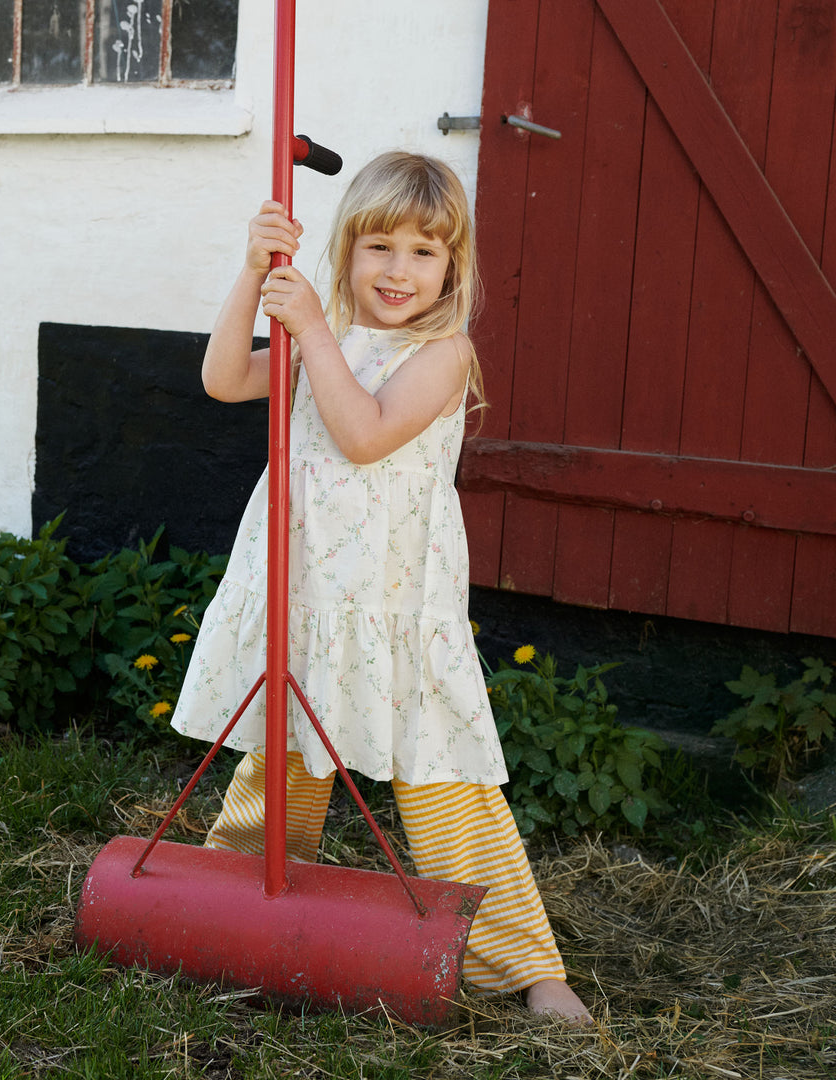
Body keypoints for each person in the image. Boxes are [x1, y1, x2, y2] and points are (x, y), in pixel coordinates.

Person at [170, 151, 592, 1024]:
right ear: (347, 251)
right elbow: (221, 378)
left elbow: (362, 435)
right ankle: (233, 903)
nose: (399, 271)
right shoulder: (315, 331)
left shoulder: (443, 354)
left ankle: (525, 965)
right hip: (309, 593)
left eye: (424, 253)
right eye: (380, 248)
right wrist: (254, 277)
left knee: (444, 781)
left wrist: (314, 332)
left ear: (453, 266)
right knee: (280, 761)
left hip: (394, 607)